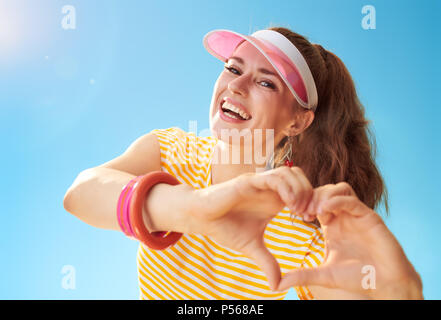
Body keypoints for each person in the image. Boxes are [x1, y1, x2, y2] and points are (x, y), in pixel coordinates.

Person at [63, 26, 423, 299]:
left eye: (267, 83)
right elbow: (79, 196)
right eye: (234, 69)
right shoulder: (170, 150)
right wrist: (193, 208)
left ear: (298, 122)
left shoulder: (306, 225)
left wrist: (394, 291)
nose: (237, 86)